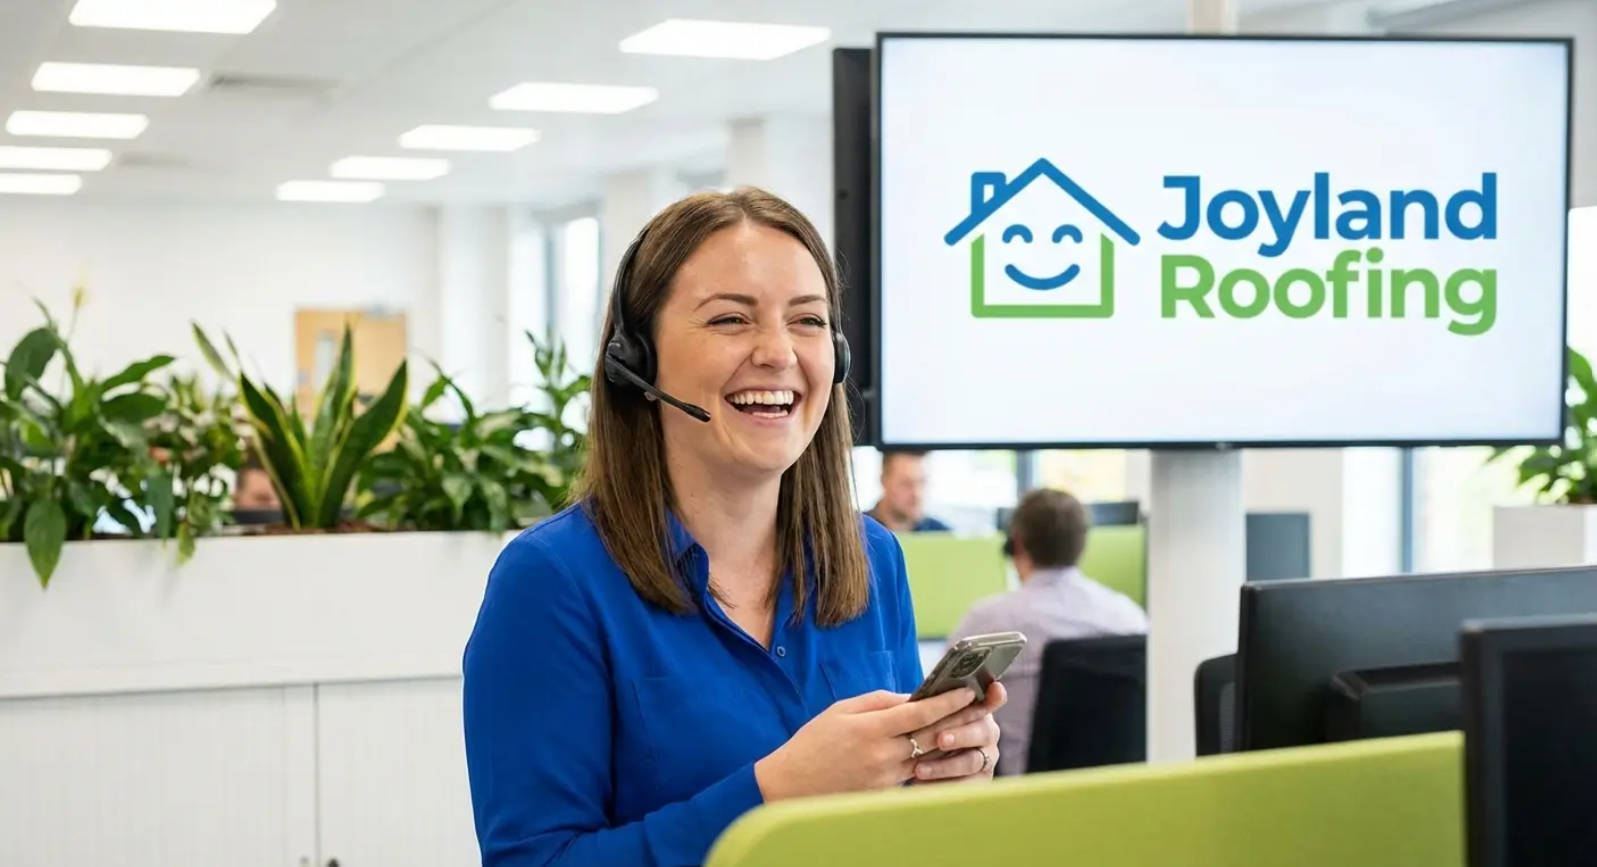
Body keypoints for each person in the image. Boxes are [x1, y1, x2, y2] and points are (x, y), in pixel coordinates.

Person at [462, 188, 1007, 867]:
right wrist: (772, 794)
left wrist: (941, 778)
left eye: (807, 321)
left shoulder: (872, 559)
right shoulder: (551, 582)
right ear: (636, 358)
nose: (778, 353)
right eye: (729, 319)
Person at [947, 487, 1147, 776]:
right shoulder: (1129, 617)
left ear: (1017, 544)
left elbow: (941, 701)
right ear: (1082, 544)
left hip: (1024, 802)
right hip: (1116, 794)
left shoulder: (988, 622)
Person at [866, 449, 951, 532]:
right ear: (883, 481)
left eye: (922, 482)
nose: (917, 494)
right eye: (906, 484)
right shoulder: (858, 530)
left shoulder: (942, 535)